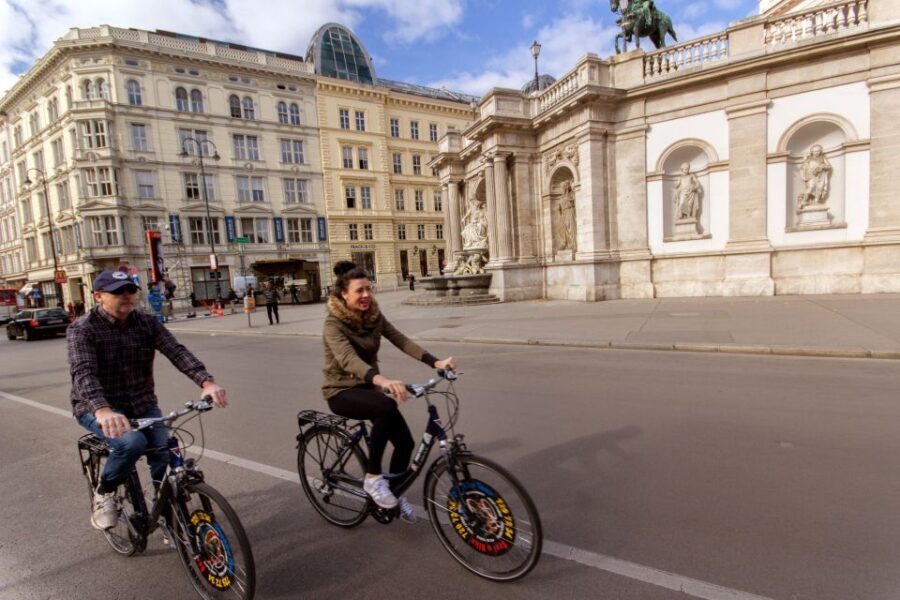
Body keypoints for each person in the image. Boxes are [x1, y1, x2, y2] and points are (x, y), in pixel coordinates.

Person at [69, 270, 228, 530]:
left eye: (130, 290)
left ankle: (167, 509)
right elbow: (83, 372)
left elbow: (175, 351)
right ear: (99, 296)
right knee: (131, 443)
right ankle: (105, 492)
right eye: (118, 291)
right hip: (97, 407)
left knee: (163, 451)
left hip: (142, 403)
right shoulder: (83, 329)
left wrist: (206, 382)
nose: (127, 296)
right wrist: (103, 410)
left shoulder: (146, 322)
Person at [323, 261, 456, 521]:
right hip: (340, 391)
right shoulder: (333, 324)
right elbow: (348, 359)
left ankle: (392, 496)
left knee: (405, 443)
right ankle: (373, 479)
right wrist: (382, 380)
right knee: (386, 405)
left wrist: (435, 361)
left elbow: (400, 339)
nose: (366, 295)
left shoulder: (373, 316)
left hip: (368, 388)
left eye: (368, 289)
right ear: (343, 294)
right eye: (359, 291)